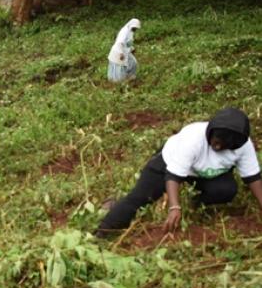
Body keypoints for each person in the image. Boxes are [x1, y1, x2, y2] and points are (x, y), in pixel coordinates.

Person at [96, 107, 262, 237]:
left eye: (223, 146)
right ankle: (103, 230)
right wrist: (174, 207)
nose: (217, 147)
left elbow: (252, 177)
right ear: (210, 132)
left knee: (226, 190)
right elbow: (173, 176)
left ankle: (193, 205)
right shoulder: (193, 139)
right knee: (140, 198)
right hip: (169, 163)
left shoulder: (242, 146)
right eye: (216, 142)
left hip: (204, 173)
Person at [107, 18, 141, 82]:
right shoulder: (124, 31)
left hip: (126, 52)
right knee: (119, 67)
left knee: (133, 62)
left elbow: (127, 43)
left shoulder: (131, 32)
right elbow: (120, 42)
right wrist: (121, 53)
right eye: (134, 27)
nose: (135, 29)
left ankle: (130, 77)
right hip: (118, 52)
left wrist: (132, 48)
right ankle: (115, 81)